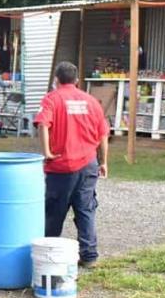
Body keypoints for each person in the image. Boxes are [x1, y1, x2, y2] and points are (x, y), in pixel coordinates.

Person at [34, 61, 110, 269]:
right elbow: (103, 134)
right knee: (85, 210)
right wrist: (103, 162)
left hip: (61, 166)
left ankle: (48, 253)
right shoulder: (91, 101)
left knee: (54, 212)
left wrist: (47, 152)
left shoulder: (52, 99)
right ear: (77, 80)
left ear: (56, 80)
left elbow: (42, 124)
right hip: (88, 164)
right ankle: (89, 256)